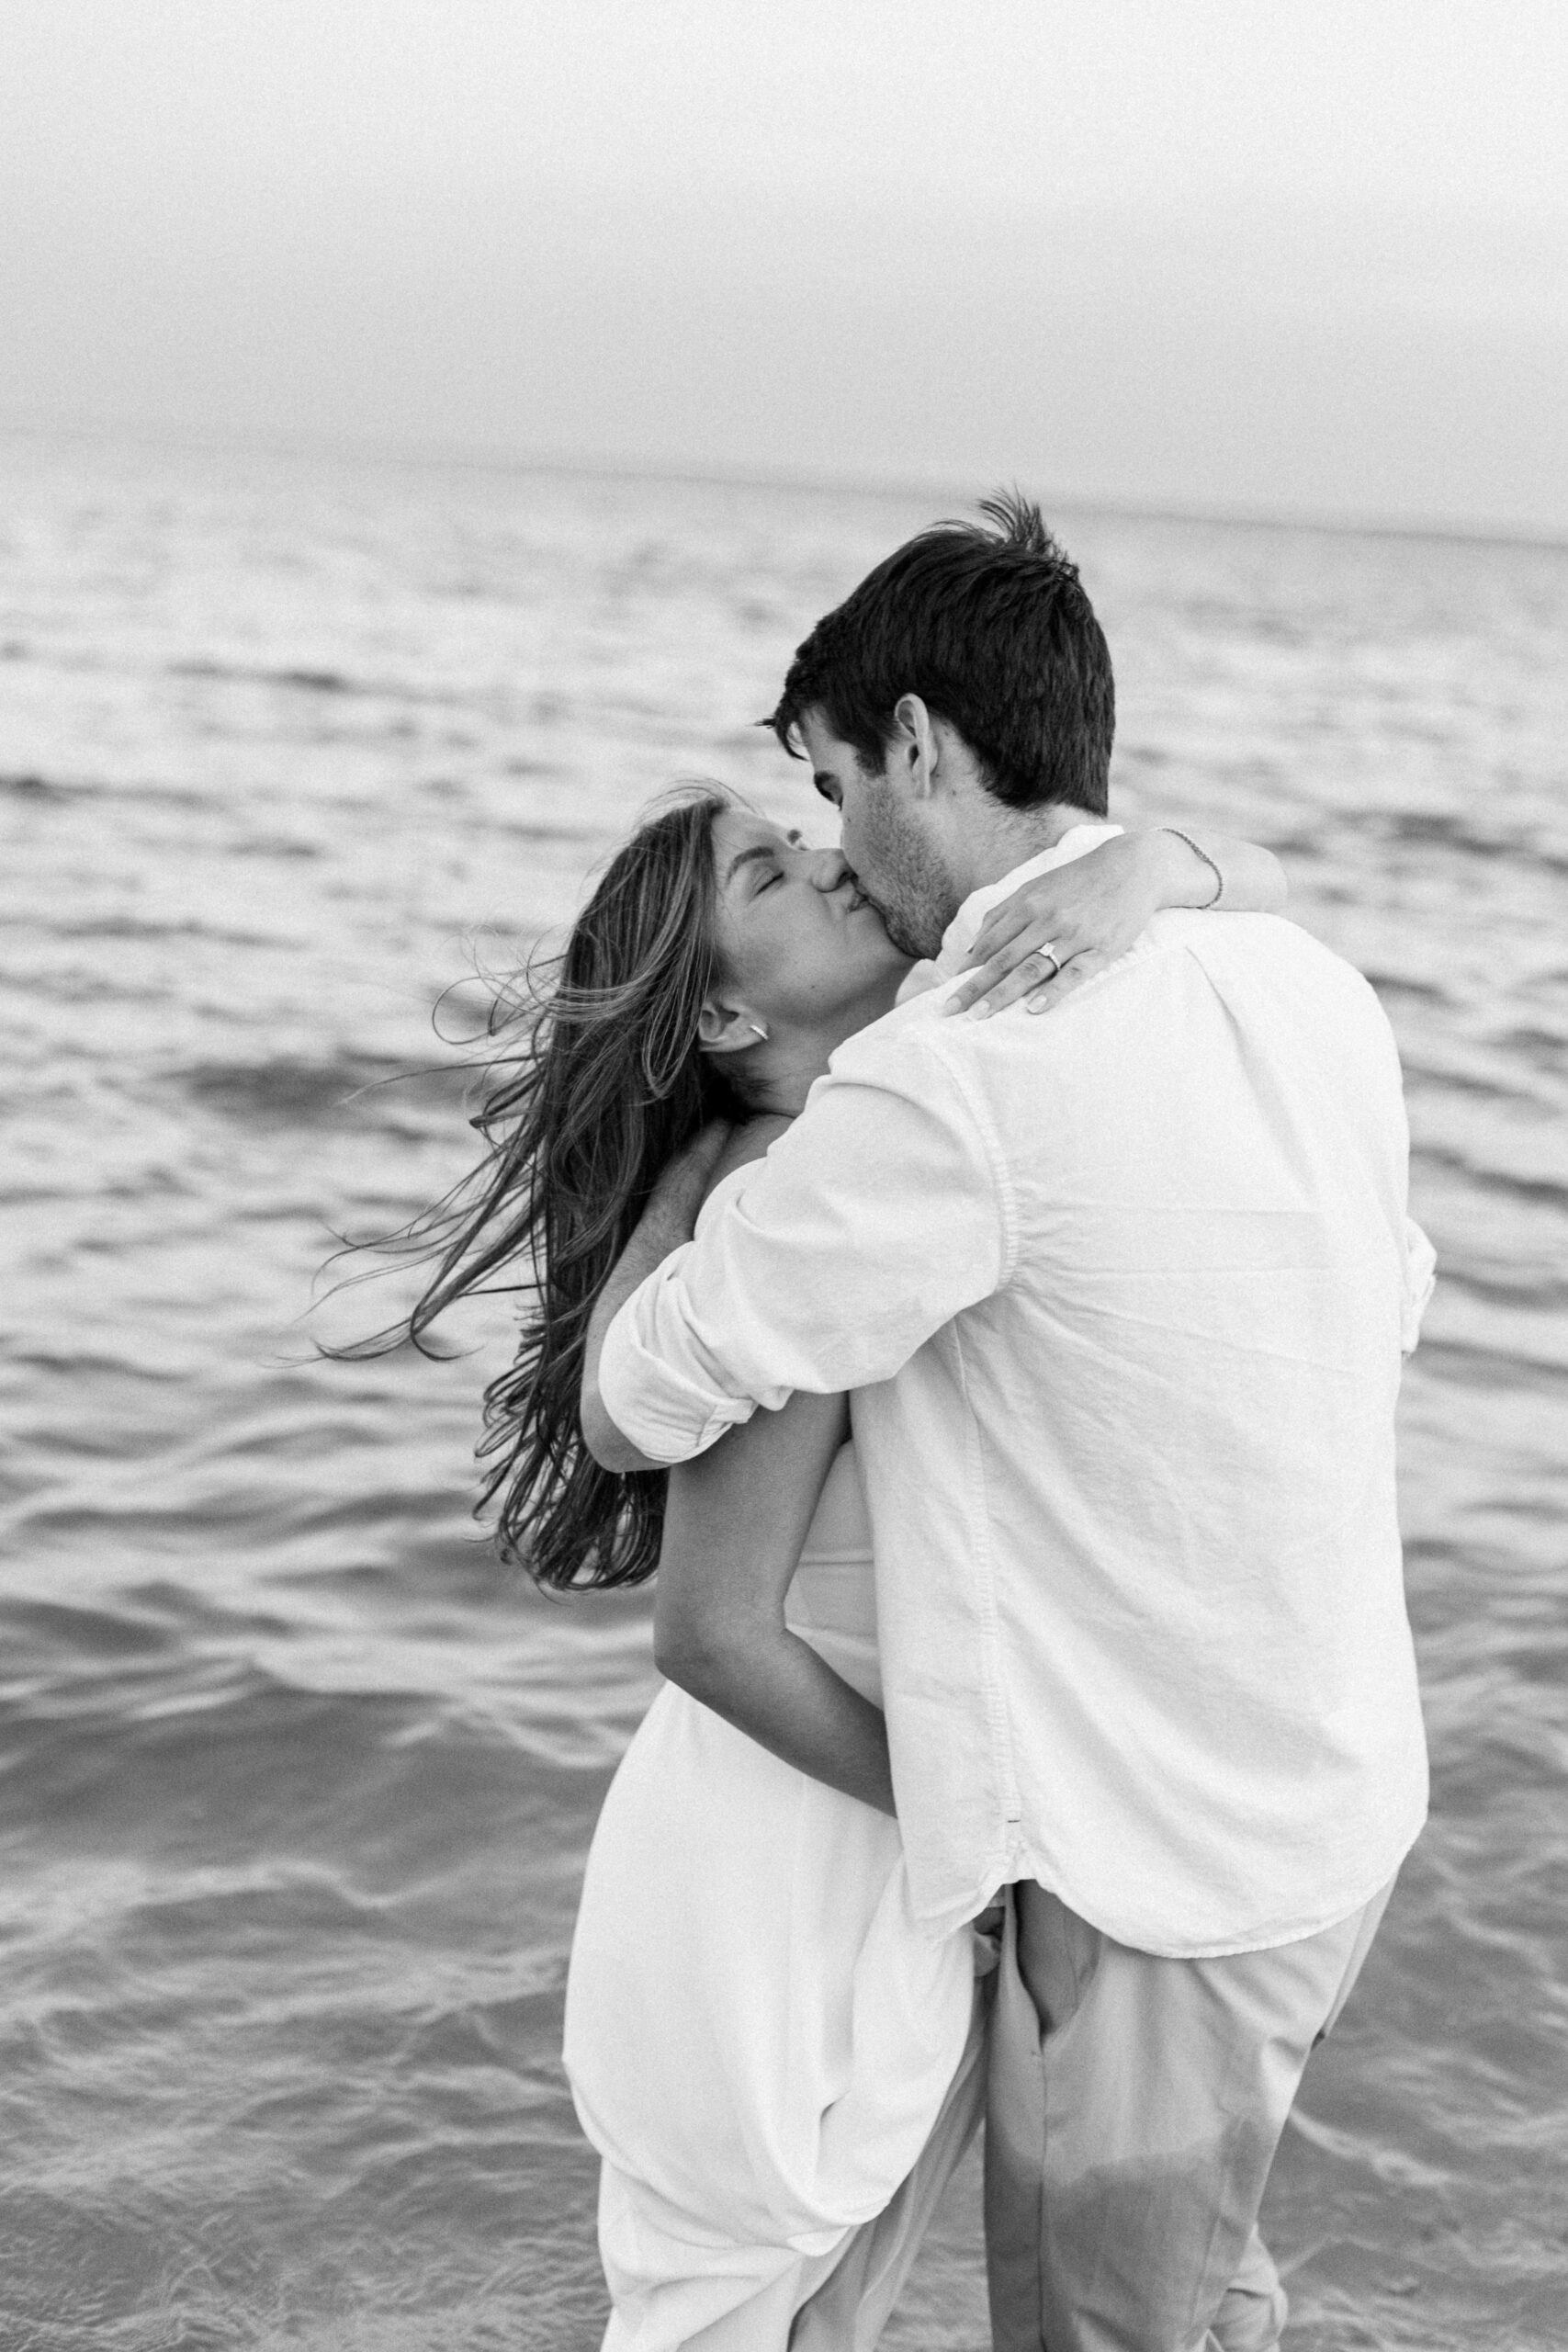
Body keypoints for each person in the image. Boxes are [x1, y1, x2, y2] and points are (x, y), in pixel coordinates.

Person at [582, 495, 1435, 2352]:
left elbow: (639, 1391)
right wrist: (1183, 865)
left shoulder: (953, 1073)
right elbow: (1396, 1299)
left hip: (1159, 1869)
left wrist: (697, 1170)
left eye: (829, 791)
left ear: (915, 744)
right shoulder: (1306, 983)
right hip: (1335, 1802)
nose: (836, 851)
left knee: (1104, 2326)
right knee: (1208, 2283)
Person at [386, 775, 1289, 2346]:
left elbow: (1267, 886)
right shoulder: (789, 1205)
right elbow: (711, 1634)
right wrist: (987, 1827)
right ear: (726, 1017)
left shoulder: (885, 1131)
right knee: (763, 2315)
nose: (827, 861)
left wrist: (1148, 862)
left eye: (798, 835)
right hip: (797, 1857)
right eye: (769, 873)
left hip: (885, 1833)